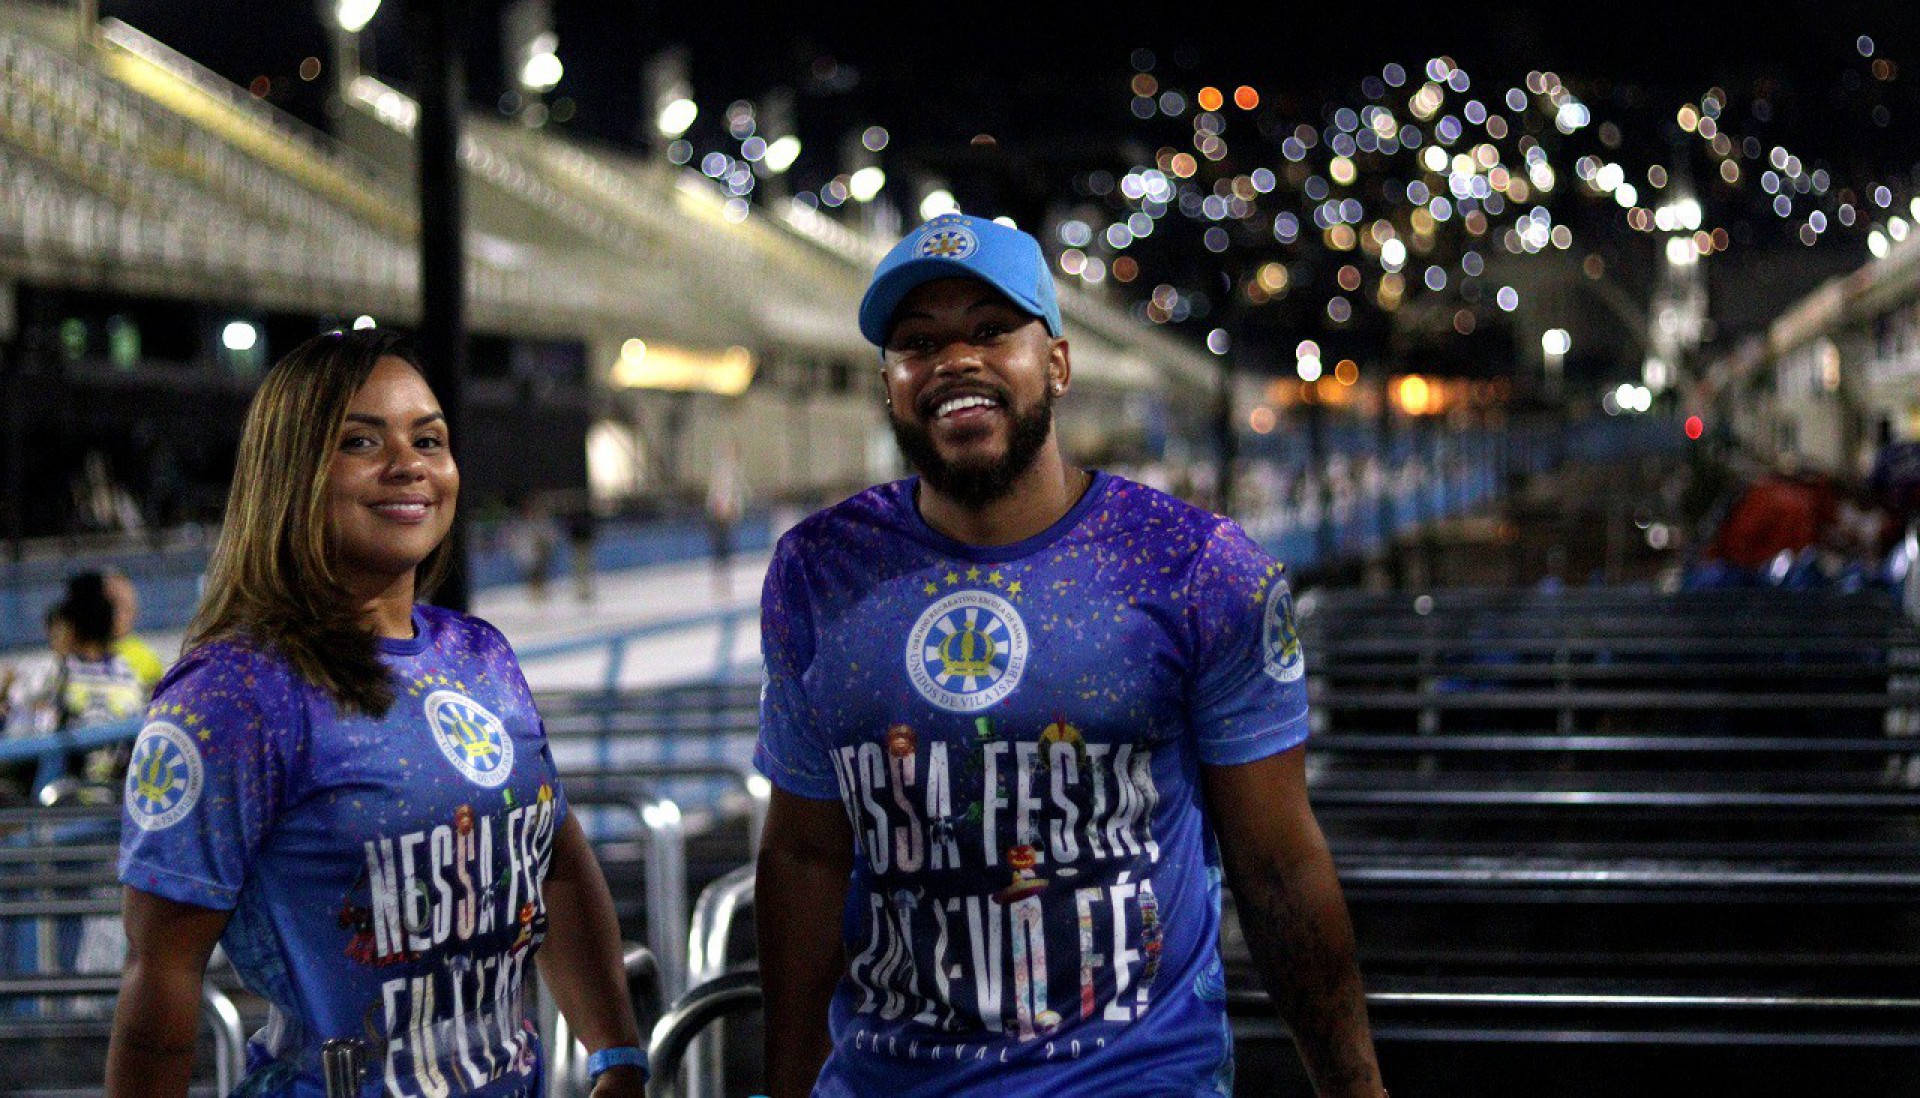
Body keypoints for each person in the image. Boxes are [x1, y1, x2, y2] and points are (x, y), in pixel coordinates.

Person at [754, 214, 1384, 1097]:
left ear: (1055, 362)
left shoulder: (1196, 567)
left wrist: (1353, 1087)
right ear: (890, 383)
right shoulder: (818, 571)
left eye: (989, 330)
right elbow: (804, 857)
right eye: (918, 342)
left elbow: (1276, 862)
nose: (954, 359)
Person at [106, 330, 646, 1096]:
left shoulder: (481, 656)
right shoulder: (232, 697)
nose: (409, 464)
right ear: (288, 472)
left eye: (429, 439)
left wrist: (615, 1052)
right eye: (361, 440)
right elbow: (161, 975)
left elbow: (554, 857)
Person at [102, 569, 166, 697]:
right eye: (111, 604)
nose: (115, 613)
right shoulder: (76, 653)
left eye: (123, 607)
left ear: (134, 611)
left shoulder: (148, 660)